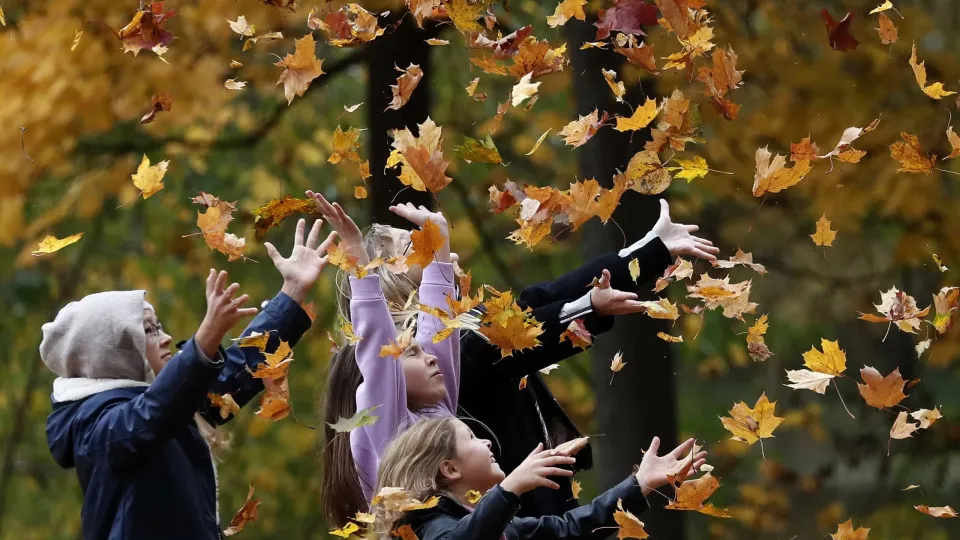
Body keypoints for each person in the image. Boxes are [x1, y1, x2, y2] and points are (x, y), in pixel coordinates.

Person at [310, 189, 718, 520]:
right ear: (392, 276)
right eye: (409, 242)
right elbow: (510, 336)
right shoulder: (409, 368)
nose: (422, 241)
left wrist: (651, 250)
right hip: (508, 509)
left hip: (523, 514)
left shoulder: (440, 354)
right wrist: (587, 306)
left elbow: (541, 299)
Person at [42, 219, 333, 540]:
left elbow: (237, 369)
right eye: (148, 330)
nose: (166, 338)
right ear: (114, 352)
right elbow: (147, 420)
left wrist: (292, 292)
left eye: (160, 325)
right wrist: (204, 340)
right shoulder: (96, 428)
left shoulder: (170, 404)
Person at [320, 200, 462, 525]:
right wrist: (357, 256)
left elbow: (439, 330)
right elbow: (377, 348)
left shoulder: (439, 412)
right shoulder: (391, 433)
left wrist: (439, 242)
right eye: (412, 353)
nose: (430, 357)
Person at [373, 417, 707, 540]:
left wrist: (639, 484)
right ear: (450, 469)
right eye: (472, 438)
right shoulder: (425, 525)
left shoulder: (504, 527)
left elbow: (573, 527)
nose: (487, 441)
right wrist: (509, 488)